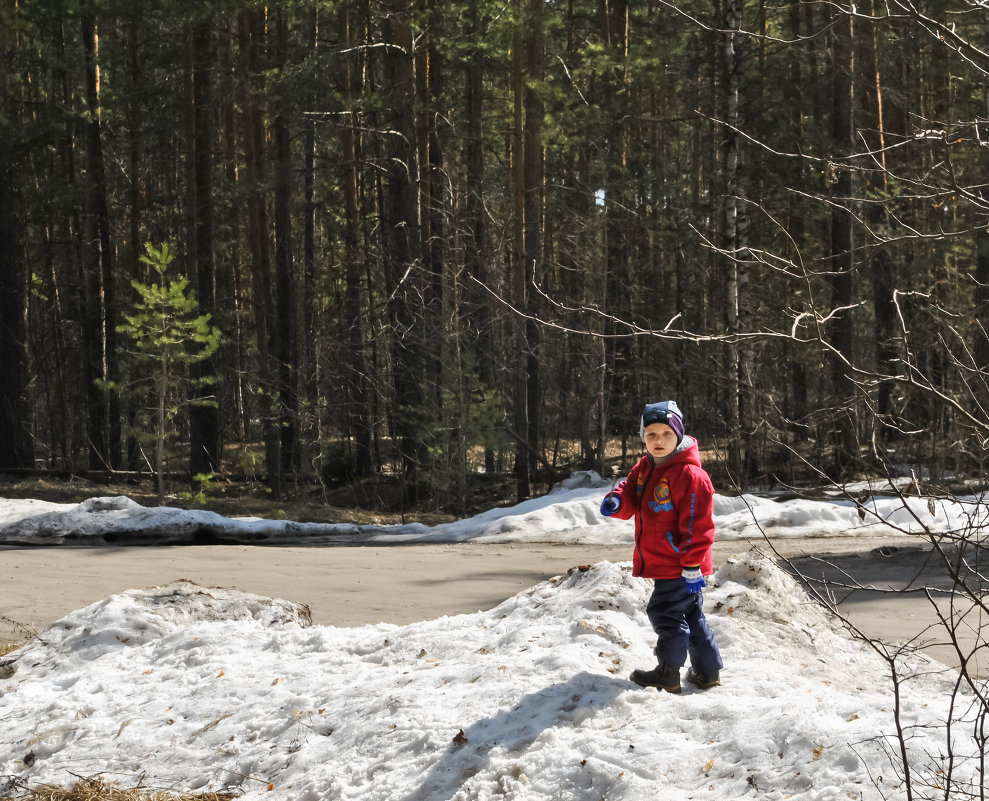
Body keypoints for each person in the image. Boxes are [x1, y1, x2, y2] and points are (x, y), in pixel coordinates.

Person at [600, 400, 723, 693]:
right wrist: (617, 501)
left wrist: (692, 564)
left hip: (680, 563)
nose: (658, 441)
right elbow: (629, 491)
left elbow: (699, 526)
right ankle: (708, 671)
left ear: (679, 435)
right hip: (670, 561)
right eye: (651, 434)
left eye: (666, 434)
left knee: (665, 612)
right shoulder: (645, 467)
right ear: (643, 436)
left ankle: (668, 673)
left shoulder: (691, 477)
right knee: (690, 614)